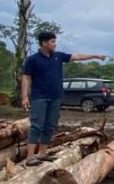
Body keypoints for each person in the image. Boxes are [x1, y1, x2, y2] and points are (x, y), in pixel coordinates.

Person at [20, 31, 107, 163]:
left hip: (55, 98)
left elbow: (77, 56)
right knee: (37, 126)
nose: (55, 44)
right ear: (44, 43)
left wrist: (94, 56)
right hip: (39, 97)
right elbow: (26, 78)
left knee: (50, 126)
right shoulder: (33, 60)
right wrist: (24, 96)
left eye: (55, 41)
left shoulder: (58, 56)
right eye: (52, 42)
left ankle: (42, 154)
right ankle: (30, 157)